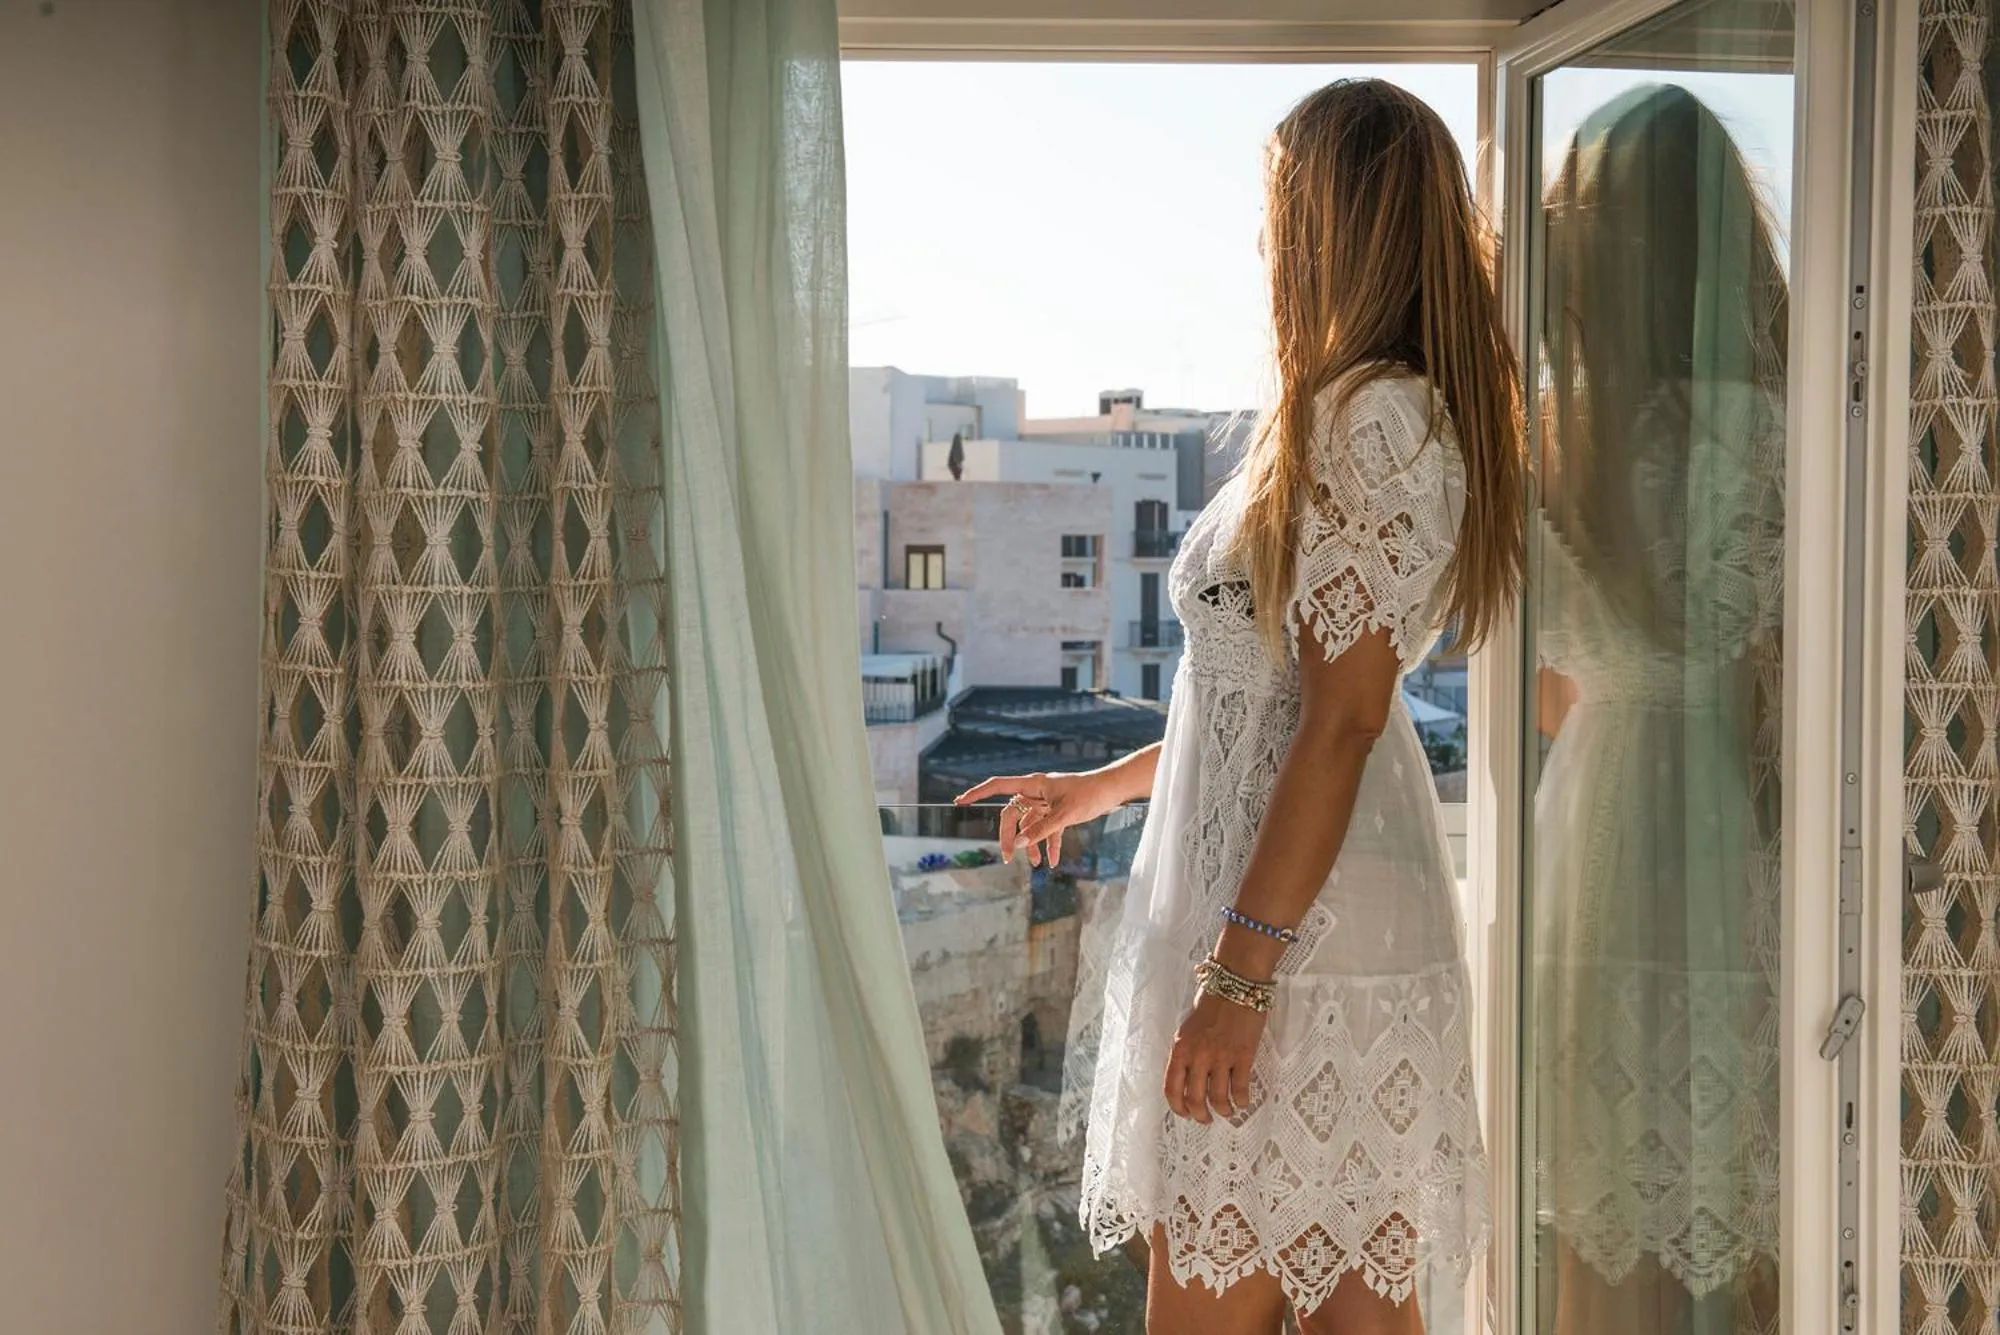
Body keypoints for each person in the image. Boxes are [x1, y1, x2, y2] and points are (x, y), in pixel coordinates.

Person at [956, 78, 1523, 1335]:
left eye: (1279, 209)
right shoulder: (1344, 414)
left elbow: (1342, 721)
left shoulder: (1372, 421)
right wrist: (1100, 786)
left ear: (1334, 222)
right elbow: (1259, 711)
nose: (1265, 242)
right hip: (1283, 924)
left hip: (1292, 945)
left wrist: (1240, 980)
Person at [1532, 84, 1787, 1335]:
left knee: (1602, 1227)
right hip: (1737, 824)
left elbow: (1535, 690)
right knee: (1745, 1222)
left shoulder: (1560, 434)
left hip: (1595, 830)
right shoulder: (1787, 431)